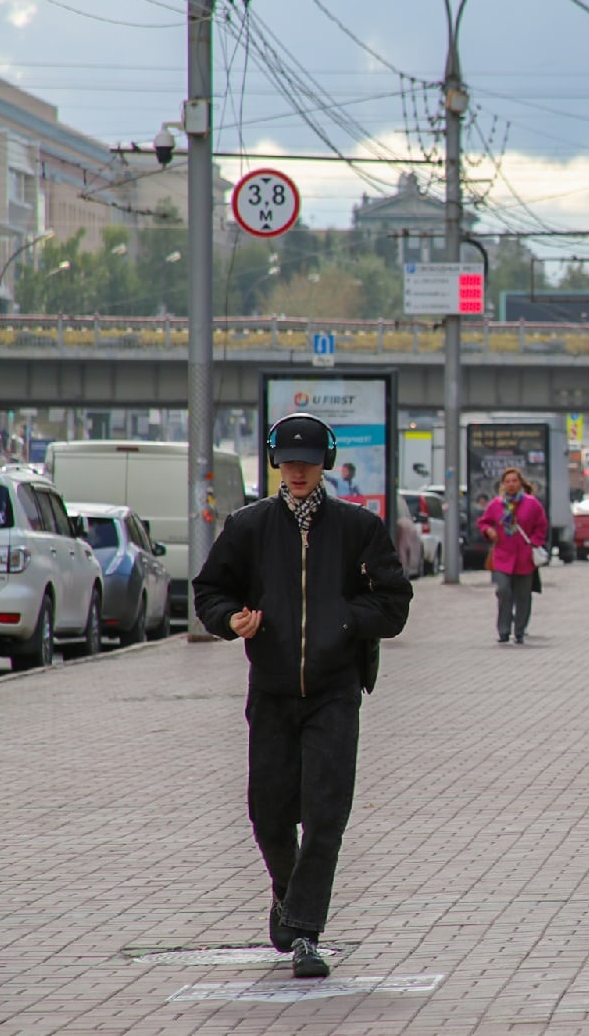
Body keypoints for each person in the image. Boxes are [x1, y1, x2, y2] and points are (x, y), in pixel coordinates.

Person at [192, 412, 412, 980]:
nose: (297, 470)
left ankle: (306, 932)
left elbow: (394, 603)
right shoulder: (249, 526)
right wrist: (228, 619)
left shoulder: (358, 528)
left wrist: (344, 619)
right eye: (288, 461)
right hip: (271, 689)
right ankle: (288, 897)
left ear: (325, 465)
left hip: (335, 692)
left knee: (324, 815)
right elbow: (210, 589)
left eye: (308, 461)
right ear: (273, 463)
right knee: (268, 814)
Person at [478, 467, 548, 644]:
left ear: (520, 483)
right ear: (503, 484)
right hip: (503, 556)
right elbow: (484, 522)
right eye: (507, 481)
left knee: (523, 596)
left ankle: (519, 631)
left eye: (514, 481)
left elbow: (541, 526)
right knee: (503, 591)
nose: (511, 485)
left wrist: (534, 541)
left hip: (524, 557)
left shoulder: (532, 504)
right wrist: (489, 531)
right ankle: (503, 630)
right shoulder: (496, 505)